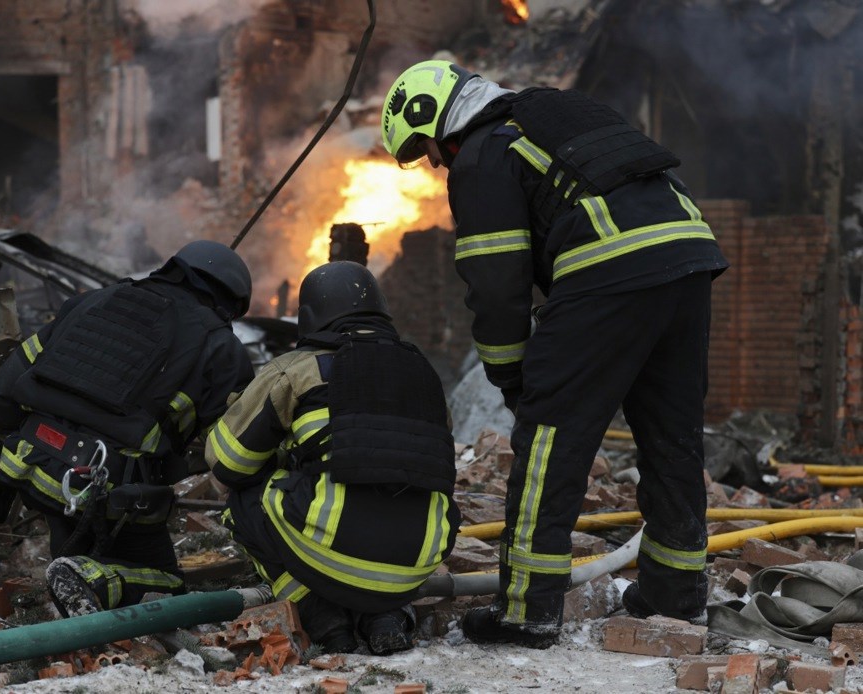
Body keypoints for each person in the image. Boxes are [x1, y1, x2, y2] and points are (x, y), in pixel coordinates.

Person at [381, 60, 730, 648]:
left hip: (608, 268)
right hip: (688, 256)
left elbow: (496, 281)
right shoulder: (554, 111)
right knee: (672, 435)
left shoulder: (485, 153)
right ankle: (677, 595)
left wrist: (514, 378)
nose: (436, 164)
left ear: (437, 119)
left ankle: (526, 611)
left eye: (427, 150)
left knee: (550, 439)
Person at [0, 240, 255, 617]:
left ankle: (74, 579)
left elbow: (4, 389)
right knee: (165, 581)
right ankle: (92, 579)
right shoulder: (222, 347)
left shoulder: (94, 300)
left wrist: (10, 445)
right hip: (107, 491)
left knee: (74, 542)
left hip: (28, 464)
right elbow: (234, 454)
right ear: (229, 301)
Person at [206, 261, 461, 655]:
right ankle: (386, 614)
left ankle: (322, 618)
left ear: (308, 318)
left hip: (330, 550)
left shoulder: (297, 370)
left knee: (243, 500)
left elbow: (227, 463)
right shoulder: (425, 375)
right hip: (419, 558)